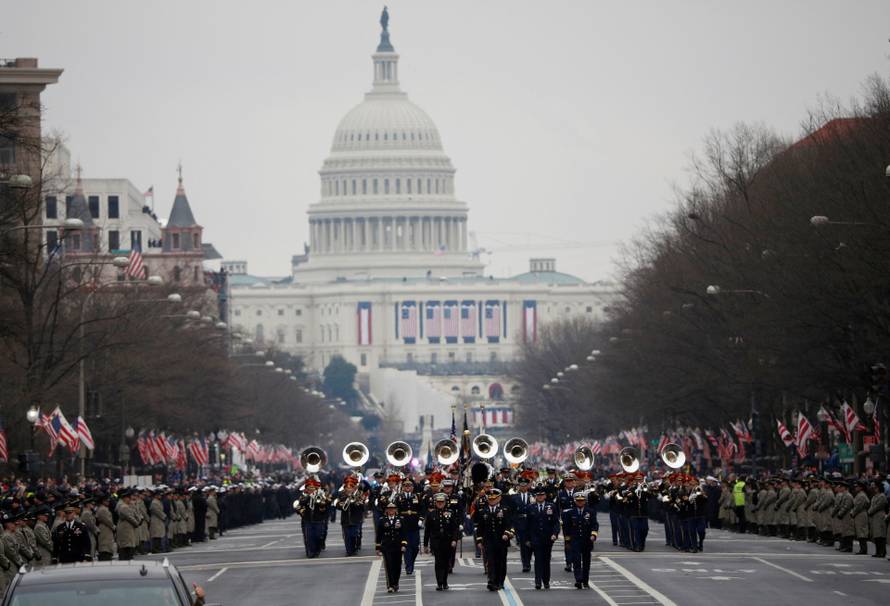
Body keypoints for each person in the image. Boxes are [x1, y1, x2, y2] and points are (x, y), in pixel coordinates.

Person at [474, 488, 514, 591]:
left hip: (501, 541)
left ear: (499, 498)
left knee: (501, 562)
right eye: (490, 499)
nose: (491, 501)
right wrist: (479, 540)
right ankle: (491, 581)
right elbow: (480, 528)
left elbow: (510, 525)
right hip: (488, 541)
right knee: (490, 562)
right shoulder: (483, 511)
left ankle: (500, 581)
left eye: (494, 499)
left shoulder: (505, 510)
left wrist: (507, 533)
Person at [525, 485, 559, 590]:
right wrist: (527, 539)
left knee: (546, 560)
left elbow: (556, 523)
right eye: (538, 495)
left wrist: (555, 534)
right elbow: (527, 525)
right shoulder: (530, 507)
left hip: (548, 538)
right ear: (535, 496)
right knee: (538, 560)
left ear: (545, 496)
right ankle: (538, 581)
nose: (540, 497)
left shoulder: (551, 506)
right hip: (535, 538)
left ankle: (546, 581)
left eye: (542, 495)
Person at [562, 491, 598, 589]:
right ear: (575, 501)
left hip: (587, 540)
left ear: (585, 501)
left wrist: (593, 535)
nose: (580, 503)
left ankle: (585, 581)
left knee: (586, 562)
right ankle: (578, 580)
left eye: (582, 501)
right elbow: (566, 528)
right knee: (576, 561)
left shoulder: (590, 512)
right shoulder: (569, 513)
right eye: (578, 501)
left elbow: (594, 524)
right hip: (575, 540)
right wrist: (568, 540)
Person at [423, 493, 457, 590]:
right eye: (438, 502)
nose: (440, 504)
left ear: (445, 503)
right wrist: (425, 545)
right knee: (438, 562)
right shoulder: (431, 514)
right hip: (436, 542)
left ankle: (445, 581)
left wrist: (454, 540)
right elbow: (427, 531)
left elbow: (454, 528)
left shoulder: (450, 513)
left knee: (446, 562)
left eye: (442, 502)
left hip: (447, 541)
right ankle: (439, 582)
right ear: (435, 503)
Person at [377, 501, 406, 593]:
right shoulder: (382, 520)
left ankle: (395, 583)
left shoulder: (401, 519)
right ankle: (390, 585)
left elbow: (404, 533)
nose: (391, 511)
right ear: (387, 510)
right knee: (389, 566)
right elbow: (379, 534)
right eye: (389, 509)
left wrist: (404, 545)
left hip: (398, 546)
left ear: (396, 510)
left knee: (397, 566)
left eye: (393, 509)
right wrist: (378, 547)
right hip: (387, 546)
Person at [395, 478, 422, 575]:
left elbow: (421, 509)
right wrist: (397, 520)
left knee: (415, 547)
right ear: (403, 487)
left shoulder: (417, 497)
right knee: (406, 546)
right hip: (404, 524)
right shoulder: (399, 497)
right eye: (406, 486)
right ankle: (408, 566)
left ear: (413, 487)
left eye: (409, 486)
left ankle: (411, 562)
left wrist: (421, 520)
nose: (408, 488)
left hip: (414, 524)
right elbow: (396, 510)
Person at [868, 480, 888, 558]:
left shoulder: (882, 496)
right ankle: (878, 551)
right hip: (874, 517)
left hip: (880, 516)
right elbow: (872, 506)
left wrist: (870, 511)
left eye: (876, 488)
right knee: (876, 536)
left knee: (880, 536)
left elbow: (878, 506)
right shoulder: (874, 496)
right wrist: (870, 511)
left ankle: (882, 552)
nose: (875, 489)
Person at [852, 481, 870, 555]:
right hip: (859, 514)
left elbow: (858, 507)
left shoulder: (861, 495)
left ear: (861, 487)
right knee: (860, 532)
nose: (856, 488)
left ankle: (863, 549)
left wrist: (852, 513)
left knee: (862, 532)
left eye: (857, 487)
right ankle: (862, 549)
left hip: (861, 514)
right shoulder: (859, 495)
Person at [95, 494, 115, 561]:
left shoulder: (103, 508)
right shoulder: (102, 509)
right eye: (107, 501)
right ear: (103, 501)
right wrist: (113, 526)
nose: (108, 502)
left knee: (107, 544)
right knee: (105, 545)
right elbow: (107, 520)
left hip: (106, 528)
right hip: (104, 528)